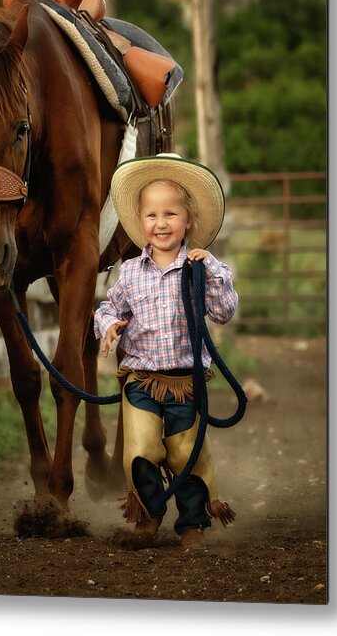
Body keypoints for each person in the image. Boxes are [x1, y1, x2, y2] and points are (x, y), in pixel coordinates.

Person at [94, 153, 238, 550]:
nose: (161, 224)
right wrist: (109, 327)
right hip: (141, 379)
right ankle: (150, 512)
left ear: (188, 220)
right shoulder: (130, 272)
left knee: (185, 453)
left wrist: (211, 271)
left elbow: (224, 312)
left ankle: (192, 523)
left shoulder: (198, 268)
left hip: (186, 383)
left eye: (171, 214)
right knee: (139, 450)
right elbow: (107, 308)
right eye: (152, 215)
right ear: (140, 221)